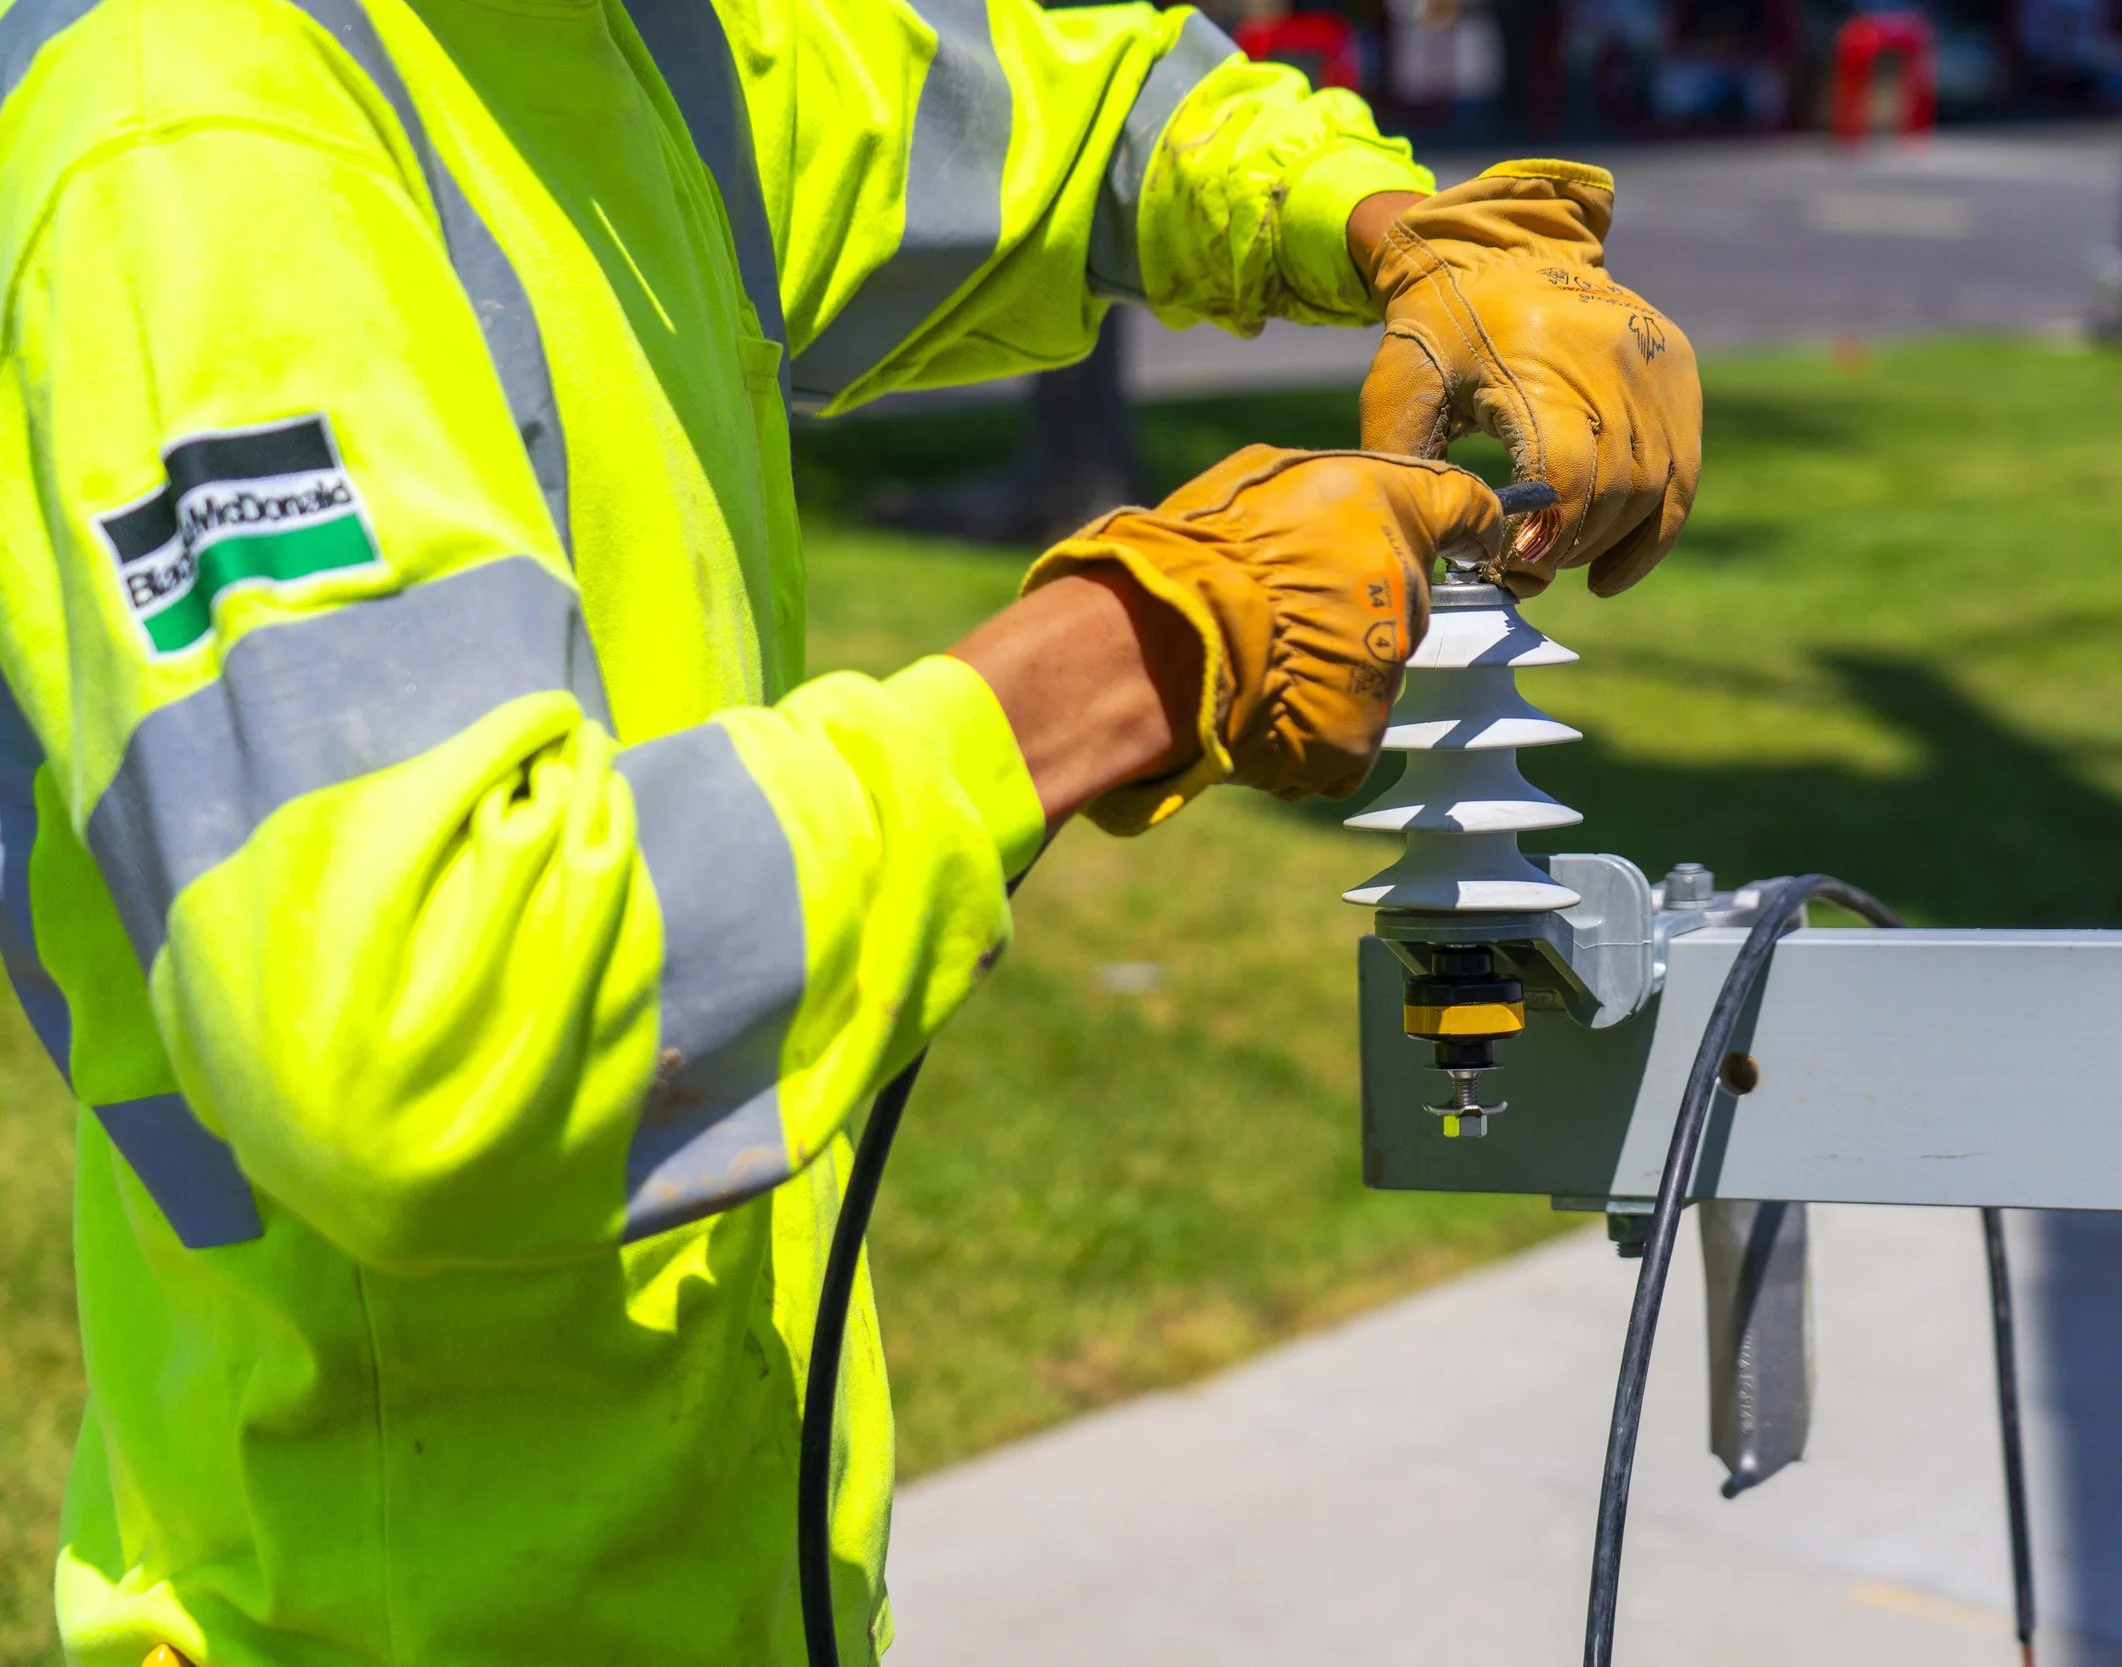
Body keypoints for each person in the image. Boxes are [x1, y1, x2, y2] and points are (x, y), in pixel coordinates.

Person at [0, 0, 1702, 1655]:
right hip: (373, 1610)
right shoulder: (198, 140)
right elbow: (425, 1016)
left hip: (712, 1558)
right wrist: (1128, 656)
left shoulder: (583, 40)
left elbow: (1024, 104)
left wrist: (1385, 225)